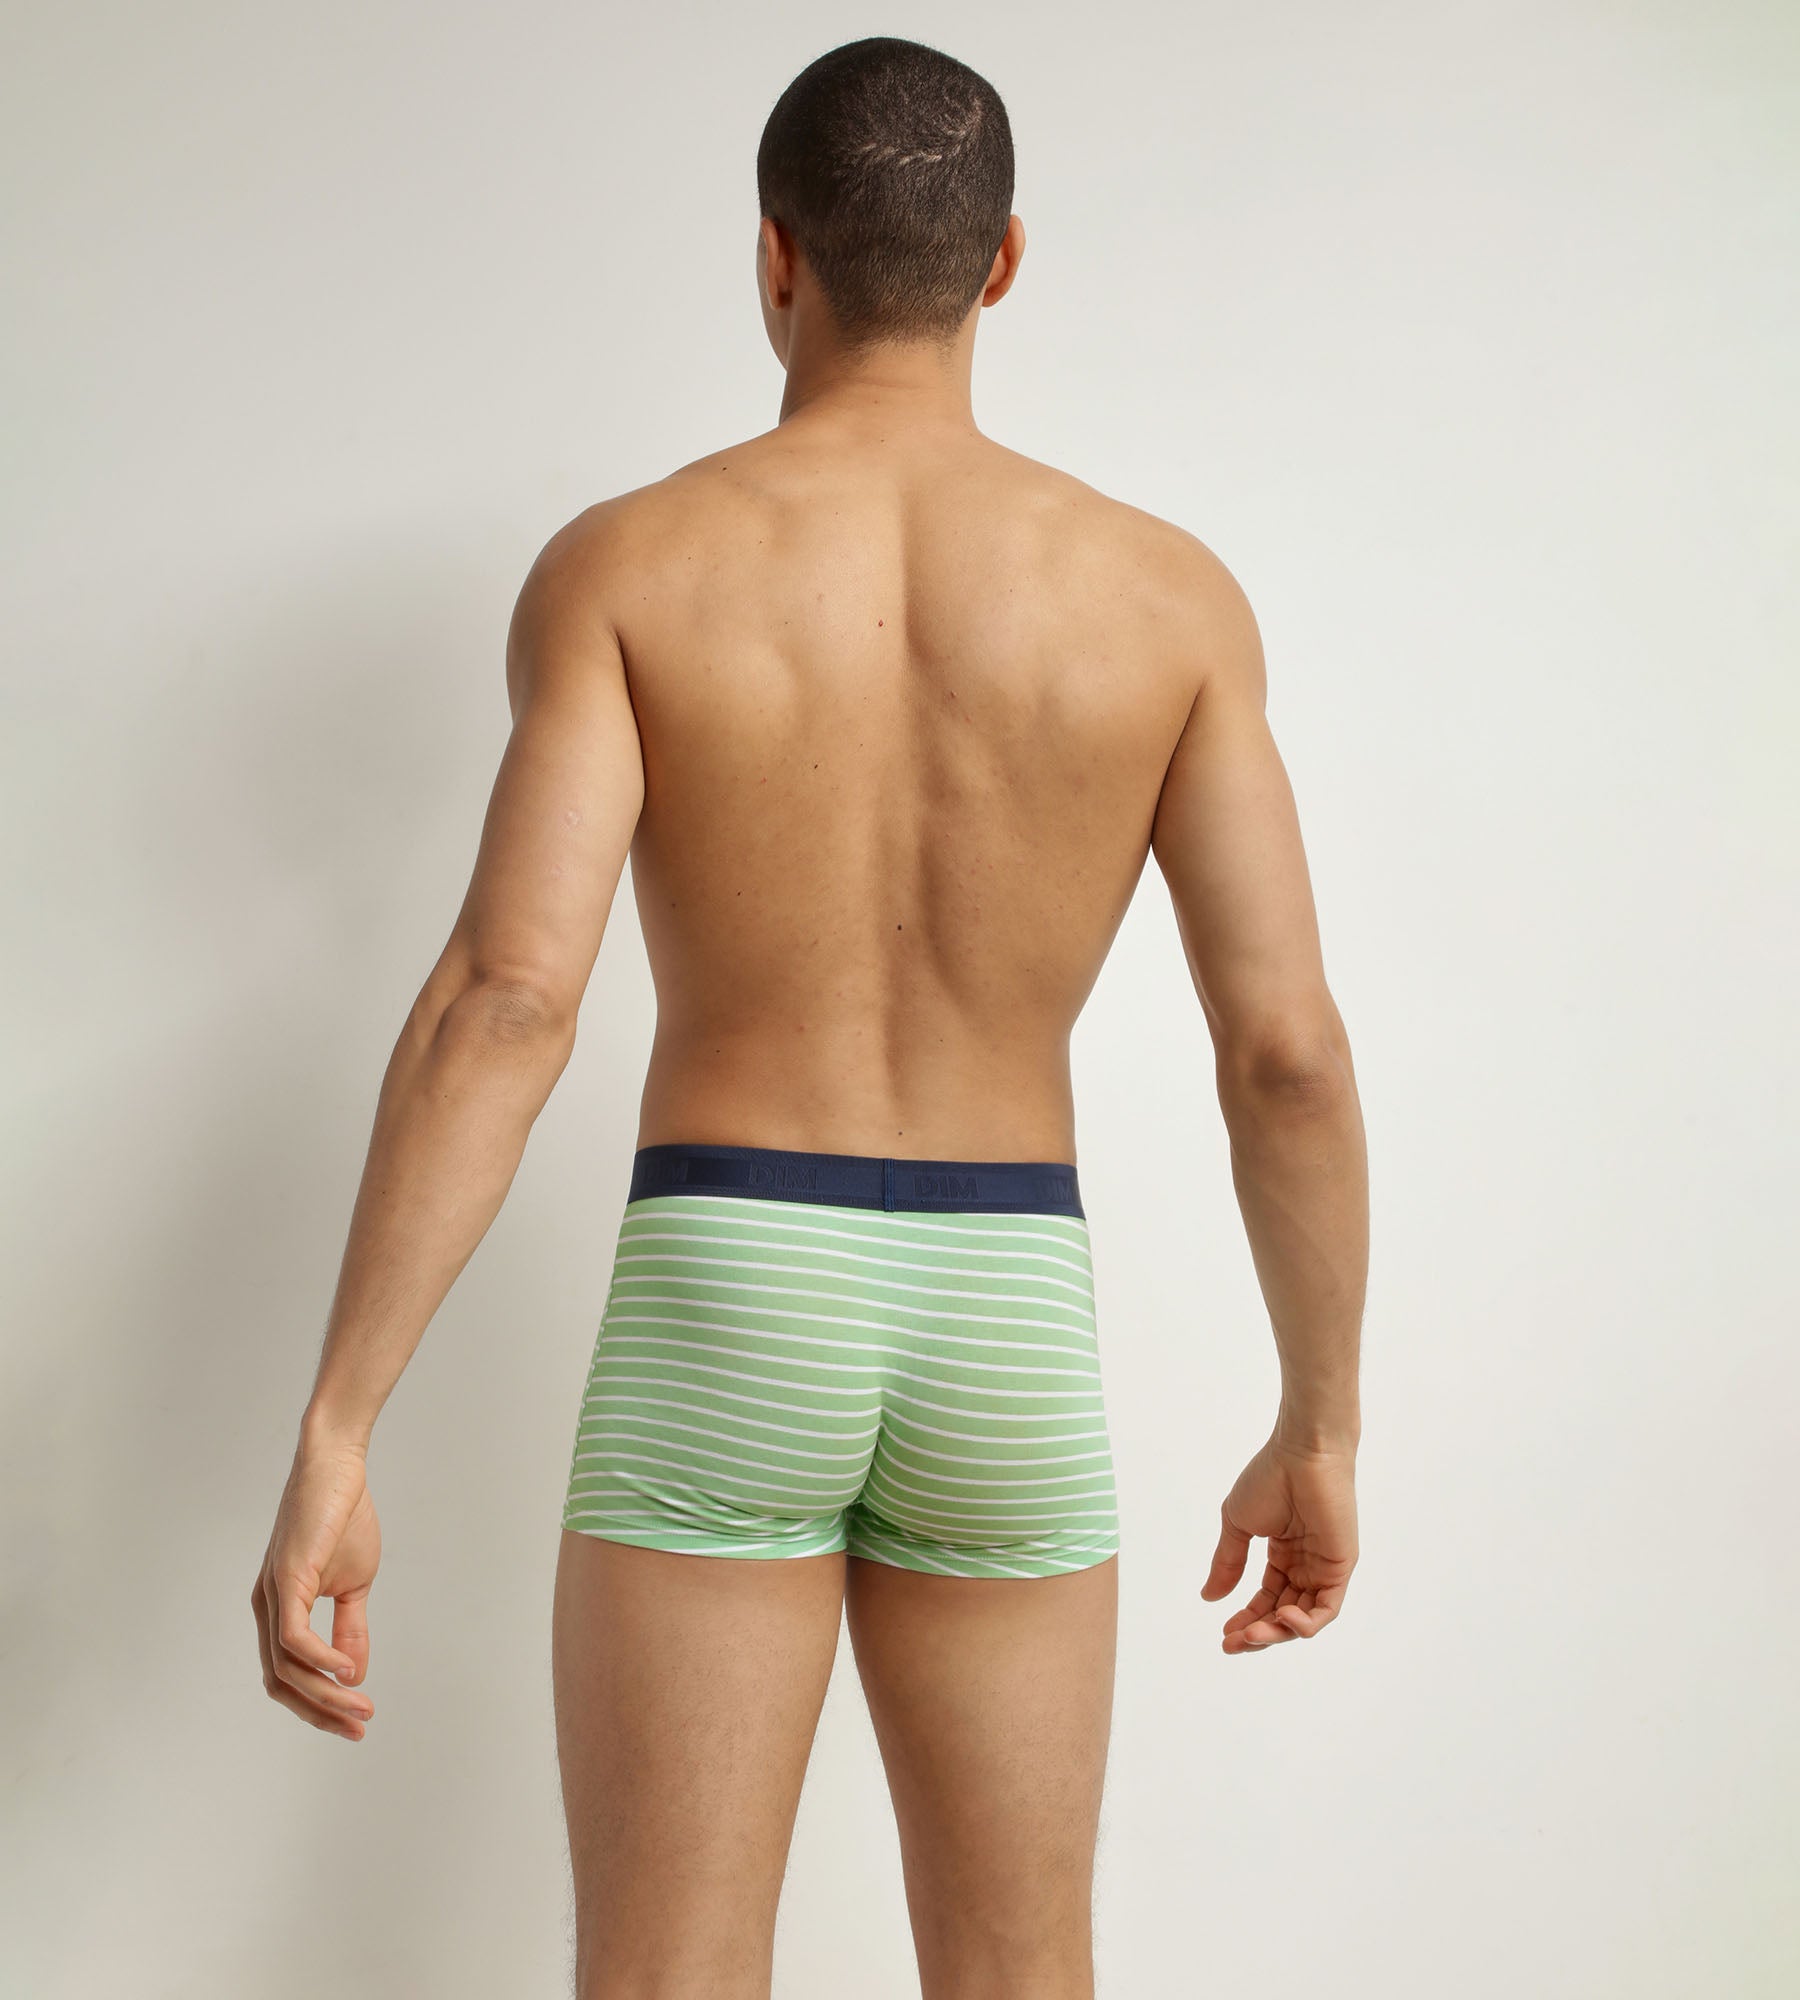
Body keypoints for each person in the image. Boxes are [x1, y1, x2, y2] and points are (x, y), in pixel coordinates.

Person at [250, 33, 1369, 2000]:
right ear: (1002, 260)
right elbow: (1282, 1053)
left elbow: (509, 998)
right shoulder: (1168, 599)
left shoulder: (630, 568)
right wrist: (1320, 1420)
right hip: (1007, 1299)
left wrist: (341, 1421)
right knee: (1019, 1973)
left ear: (774, 256)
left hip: (730, 1275)